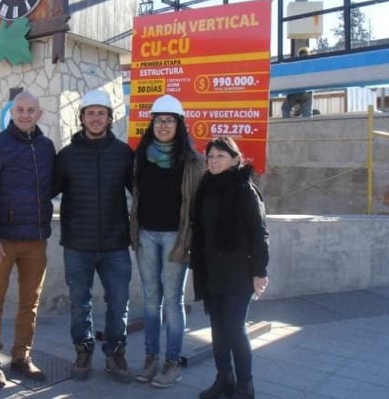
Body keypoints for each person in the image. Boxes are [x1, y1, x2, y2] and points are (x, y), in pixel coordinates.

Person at [0, 91, 56, 389]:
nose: (25, 114)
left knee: (29, 303)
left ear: (39, 114)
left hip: (35, 241)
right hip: (2, 243)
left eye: (31, 110)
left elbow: (52, 186)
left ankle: (21, 357)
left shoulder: (46, 147)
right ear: (12, 111)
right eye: (20, 109)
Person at [53, 89, 135, 383]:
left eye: (101, 113)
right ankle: (83, 351)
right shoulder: (67, 156)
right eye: (91, 113)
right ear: (82, 118)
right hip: (77, 244)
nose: (96, 118)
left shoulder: (124, 153)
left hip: (115, 245)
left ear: (110, 118)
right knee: (80, 304)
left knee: (119, 303)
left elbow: (143, 192)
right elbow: (45, 190)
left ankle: (115, 353)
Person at [130, 94, 205, 388]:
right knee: (150, 300)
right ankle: (151, 358)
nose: (163, 125)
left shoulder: (191, 161)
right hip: (146, 235)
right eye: (159, 120)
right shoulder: (141, 155)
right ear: (152, 124)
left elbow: (197, 204)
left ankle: (172, 362)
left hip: (176, 237)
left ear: (179, 124)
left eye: (169, 120)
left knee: (172, 302)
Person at [190, 136, 269, 399]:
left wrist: (260, 272)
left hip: (239, 273)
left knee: (234, 328)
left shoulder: (245, 190)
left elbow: (259, 234)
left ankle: (246, 385)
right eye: (210, 156)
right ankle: (224, 378)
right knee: (217, 328)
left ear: (235, 159)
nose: (213, 161)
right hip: (212, 270)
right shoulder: (206, 187)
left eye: (220, 156)